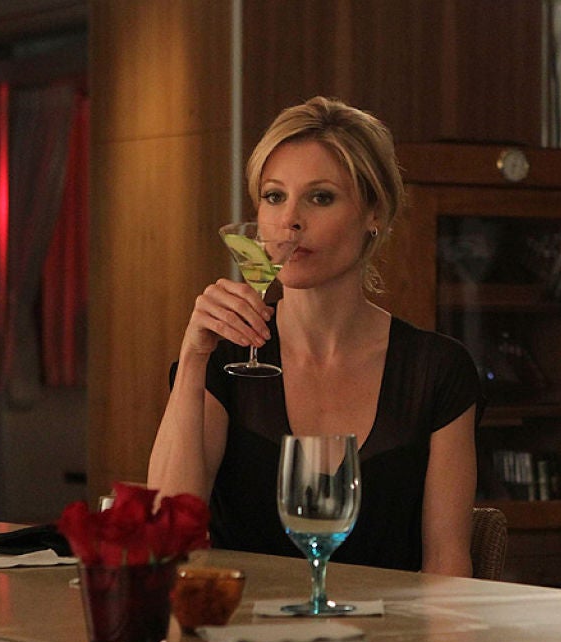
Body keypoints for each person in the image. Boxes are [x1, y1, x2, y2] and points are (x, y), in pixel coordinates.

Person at [148, 97, 479, 577]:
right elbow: (165, 536)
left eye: (320, 197)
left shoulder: (437, 369)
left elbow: (447, 561)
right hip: (241, 622)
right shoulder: (225, 359)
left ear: (374, 213)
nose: (290, 220)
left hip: (389, 626)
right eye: (274, 196)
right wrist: (194, 355)